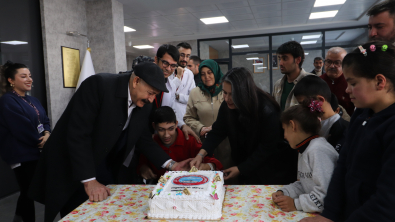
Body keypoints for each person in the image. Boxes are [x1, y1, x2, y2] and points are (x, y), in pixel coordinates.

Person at [29, 62, 191, 222]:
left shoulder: (145, 103)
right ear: (136, 82)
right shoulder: (98, 86)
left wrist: (171, 164)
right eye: (150, 93)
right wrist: (89, 180)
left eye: (155, 94)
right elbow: (78, 135)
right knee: (75, 211)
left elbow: (142, 140)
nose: (151, 99)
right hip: (71, 162)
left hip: (101, 162)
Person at [301, 41, 395, 222]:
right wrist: (330, 214)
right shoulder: (361, 113)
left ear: (379, 81)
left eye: (353, 83)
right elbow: (343, 165)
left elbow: (387, 201)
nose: (347, 89)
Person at [189, 67, 298, 185]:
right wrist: (200, 155)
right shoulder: (227, 106)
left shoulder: (267, 109)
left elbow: (267, 148)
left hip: (269, 169)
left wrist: (241, 169)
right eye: (224, 93)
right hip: (244, 164)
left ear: (244, 92)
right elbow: (217, 131)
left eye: (232, 94)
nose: (226, 98)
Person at [0, 61, 51, 222]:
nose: (29, 79)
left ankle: (19, 218)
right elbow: (21, 128)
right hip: (22, 154)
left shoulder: (33, 100)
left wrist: (48, 133)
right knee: (29, 191)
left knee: (28, 191)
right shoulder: (7, 100)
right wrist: (40, 141)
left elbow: (45, 120)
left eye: (29, 76)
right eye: (23, 76)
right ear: (11, 80)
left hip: (36, 152)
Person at [272, 100, 338, 213]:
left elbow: (326, 196)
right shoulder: (305, 148)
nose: (284, 136)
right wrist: (285, 192)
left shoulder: (318, 151)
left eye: (284, 130)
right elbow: (305, 184)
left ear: (292, 126)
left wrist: (295, 203)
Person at [138, 106, 223, 182]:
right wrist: (143, 168)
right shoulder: (150, 144)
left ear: (176, 124)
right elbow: (141, 162)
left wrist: (202, 167)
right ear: (154, 126)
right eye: (161, 130)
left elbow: (216, 164)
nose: (166, 135)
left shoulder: (190, 140)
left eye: (171, 129)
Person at [184, 59, 232, 171]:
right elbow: (188, 117)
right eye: (203, 74)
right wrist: (200, 128)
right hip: (205, 143)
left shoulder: (226, 91)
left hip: (227, 143)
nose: (206, 77)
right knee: (208, 175)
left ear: (215, 72)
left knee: (227, 174)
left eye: (209, 73)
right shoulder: (195, 92)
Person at [152, 44, 199, 142]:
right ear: (156, 60)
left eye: (172, 65)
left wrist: (182, 125)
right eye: (165, 63)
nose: (169, 68)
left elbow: (171, 107)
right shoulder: (149, 80)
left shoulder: (172, 83)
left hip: (166, 127)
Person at [293, 75, 349, 152]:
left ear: (320, 100)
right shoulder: (309, 127)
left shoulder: (346, 131)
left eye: (304, 103)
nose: (302, 108)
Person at [273, 41, 312, 111]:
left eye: (285, 59)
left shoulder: (311, 82)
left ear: (298, 60)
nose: (280, 63)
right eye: (279, 59)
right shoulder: (278, 84)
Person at [320, 47, 355, 115]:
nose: (332, 66)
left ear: (345, 64)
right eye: (329, 62)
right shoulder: (318, 81)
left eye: (337, 63)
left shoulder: (351, 82)